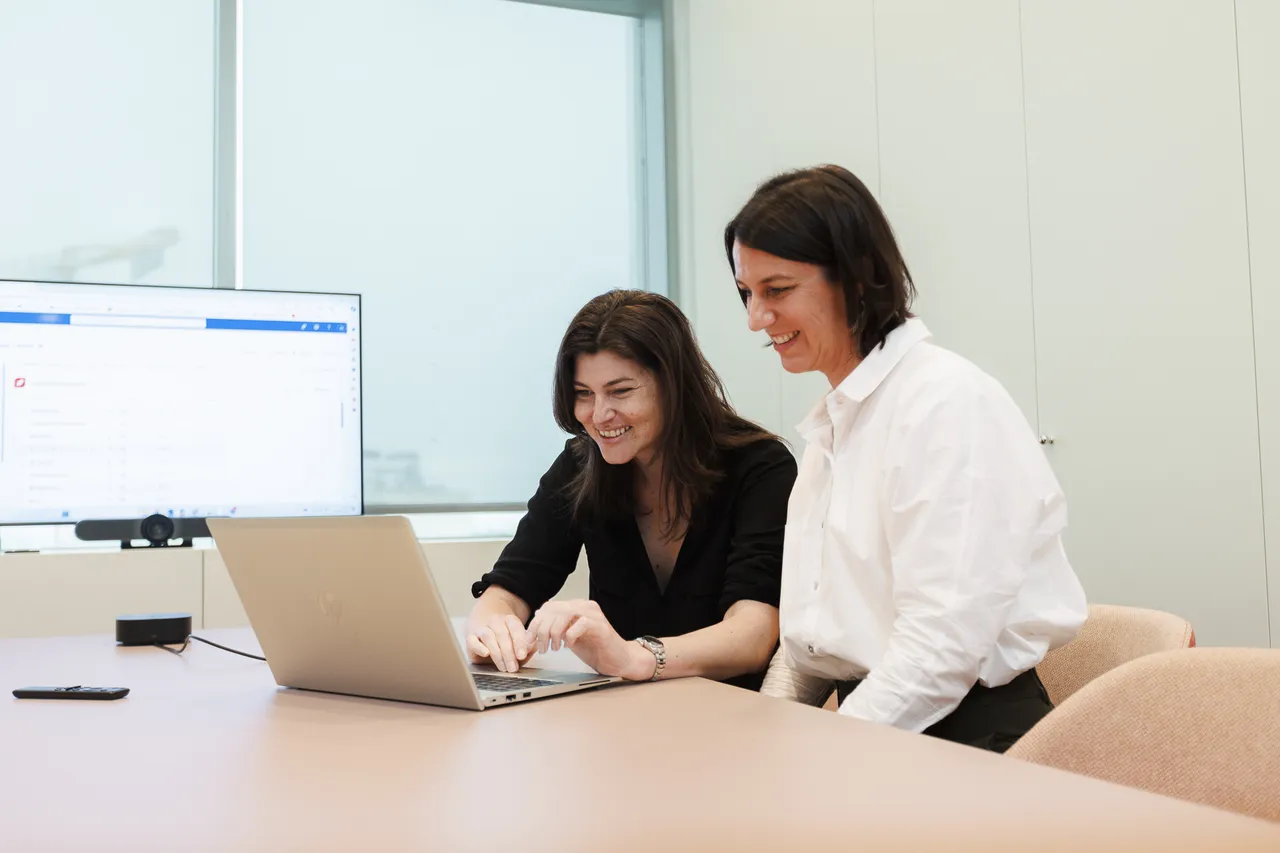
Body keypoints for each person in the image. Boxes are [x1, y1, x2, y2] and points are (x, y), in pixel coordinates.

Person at [728, 165, 1087, 751]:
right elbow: (814, 645)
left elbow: (938, 651)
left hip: (968, 738)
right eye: (747, 293)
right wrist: (766, 740)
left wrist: (819, 756)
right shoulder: (837, 423)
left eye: (778, 290)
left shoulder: (944, 404)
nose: (755, 319)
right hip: (881, 724)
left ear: (856, 276)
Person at [466, 289, 796, 691]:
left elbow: (752, 637)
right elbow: (511, 585)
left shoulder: (761, 468)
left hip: (731, 721)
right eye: (583, 394)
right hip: (620, 721)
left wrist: (633, 657)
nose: (599, 415)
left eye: (620, 391)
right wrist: (493, 627)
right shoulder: (582, 463)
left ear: (673, 384)